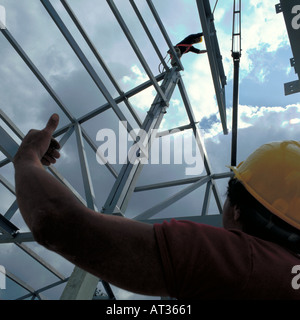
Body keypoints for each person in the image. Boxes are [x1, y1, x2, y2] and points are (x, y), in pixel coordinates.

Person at [13, 114, 300, 299]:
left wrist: (27, 156)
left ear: (237, 209)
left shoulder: (246, 263)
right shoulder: (283, 273)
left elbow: (57, 222)